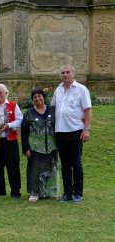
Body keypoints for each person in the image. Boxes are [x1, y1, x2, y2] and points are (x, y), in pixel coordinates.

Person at [51, 64, 92, 204]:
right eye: (63, 72)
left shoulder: (81, 89)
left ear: (73, 74)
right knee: (65, 163)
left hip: (75, 131)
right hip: (60, 131)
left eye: (68, 72)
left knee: (76, 162)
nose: (65, 75)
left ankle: (78, 193)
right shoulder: (58, 90)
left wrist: (86, 129)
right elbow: (53, 109)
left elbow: (87, 110)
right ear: (60, 75)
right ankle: (68, 193)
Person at [21, 88, 60, 202]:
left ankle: (52, 191)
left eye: (40, 96)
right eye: (35, 97)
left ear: (44, 97)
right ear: (32, 99)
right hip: (35, 147)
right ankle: (35, 192)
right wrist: (25, 148)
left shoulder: (53, 110)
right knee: (35, 170)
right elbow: (24, 131)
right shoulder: (29, 113)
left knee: (52, 169)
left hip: (52, 146)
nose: (38, 98)